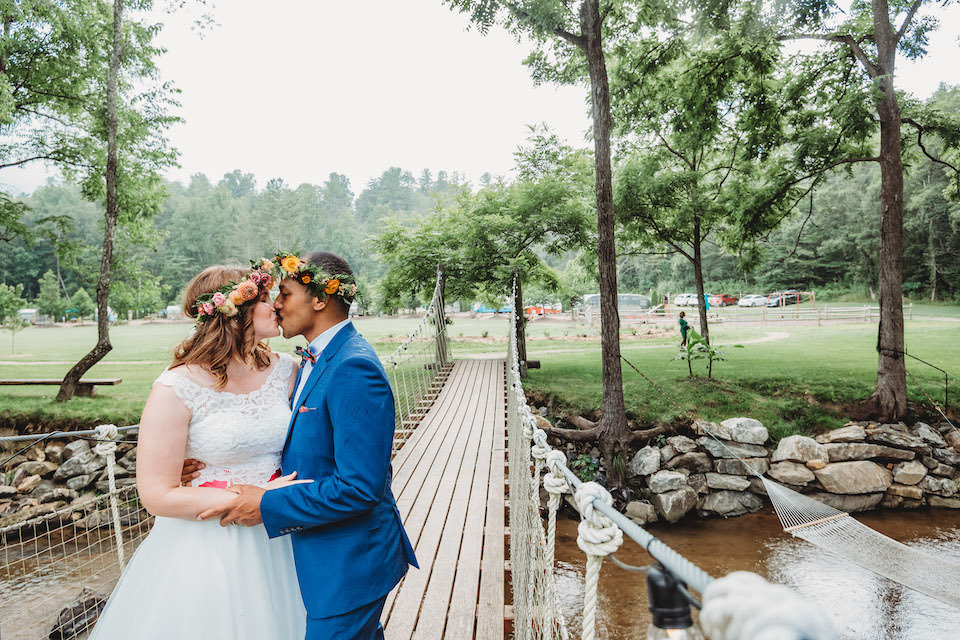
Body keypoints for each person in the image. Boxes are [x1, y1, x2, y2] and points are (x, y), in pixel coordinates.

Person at [196, 251, 418, 640]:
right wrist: (198, 462)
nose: (276, 304)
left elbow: (360, 488)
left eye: (284, 293)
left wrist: (265, 503)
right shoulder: (311, 361)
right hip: (318, 551)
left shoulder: (354, 367)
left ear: (320, 299)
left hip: (349, 562)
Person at [88, 264, 308, 639]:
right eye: (266, 299)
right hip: (208, 545)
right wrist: (253, 497)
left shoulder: (288, 370)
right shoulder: (177, 387)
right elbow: (156, 495)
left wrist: (273, 501)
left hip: (282, 534)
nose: (277, 307)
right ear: (234, 311)